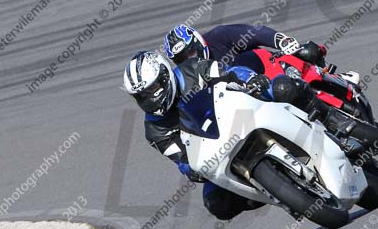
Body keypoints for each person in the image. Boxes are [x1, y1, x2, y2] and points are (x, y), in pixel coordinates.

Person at [121, 50, 354, 220]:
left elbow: (230, 72)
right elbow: (180, 159)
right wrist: (191, 169)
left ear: (164, 76)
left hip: (246, 110)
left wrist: (251, 80)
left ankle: (334, 120)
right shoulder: (154, 130)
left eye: (151, 89)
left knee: (284, 87)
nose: (149, 99)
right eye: (141, 96)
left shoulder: (192, 69)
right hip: (219, 148)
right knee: (216, 203)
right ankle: (274, 190)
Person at [162, 23, 328, 70]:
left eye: (191, 52)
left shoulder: (218, 36)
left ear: (197, 42)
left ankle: (340, 84)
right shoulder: (189, 79)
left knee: (308, 53)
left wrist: (281, 41)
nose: (190, 59)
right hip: (248, 102)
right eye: (182, 60)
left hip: (269, 69)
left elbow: (254, 32)